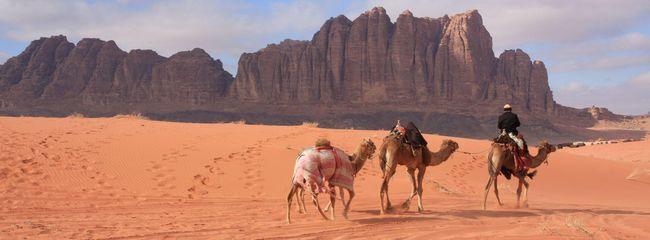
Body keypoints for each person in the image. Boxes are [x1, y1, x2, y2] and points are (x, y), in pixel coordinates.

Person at [498, 104, 527, 172]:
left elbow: (499, 126)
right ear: (510, 109)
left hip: (502, 134)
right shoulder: (514, 116)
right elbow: (518, 124)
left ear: (504, 109)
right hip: (511, 134)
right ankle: (521, 160)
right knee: (520, 143)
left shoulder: (501, 116)